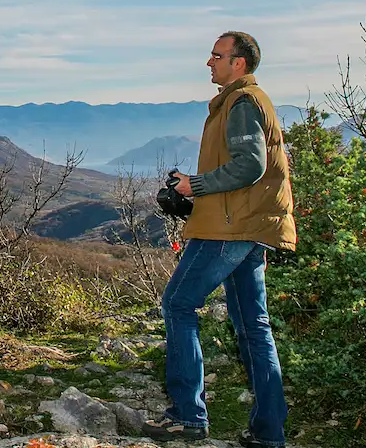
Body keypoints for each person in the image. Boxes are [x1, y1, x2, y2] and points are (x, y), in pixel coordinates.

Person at [144, 32, 297, 447]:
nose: (209, 62)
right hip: (249, 226)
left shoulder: (243, 103)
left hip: (231, 229)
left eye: (217, 55)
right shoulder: (243, 102)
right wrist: (196, 195)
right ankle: (269, 433)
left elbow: (249, 166)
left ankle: (187, 416)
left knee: (178, 303)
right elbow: (248, 174)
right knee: (253, 326)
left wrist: (194, 186)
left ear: (240, 63)